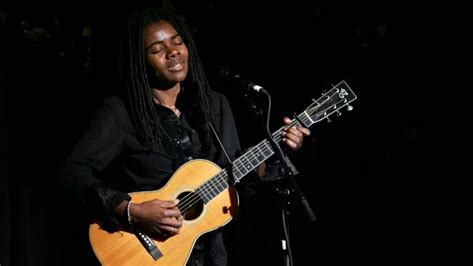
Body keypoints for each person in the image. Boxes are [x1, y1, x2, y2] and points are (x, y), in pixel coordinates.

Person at [58, 7, 310, 266]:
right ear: (140, 60)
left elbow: (237, 183)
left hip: (211, 256)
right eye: (157, 50)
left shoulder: (214, 106)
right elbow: (73, 174)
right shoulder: (121, 113)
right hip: (143, 251)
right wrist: (131, 211)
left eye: (177, 43)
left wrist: (279, 149)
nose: (173, 52)